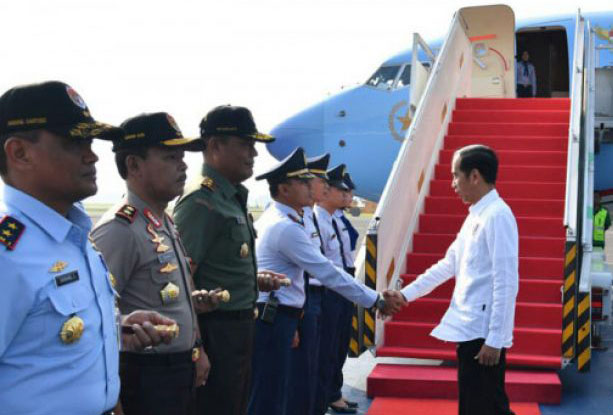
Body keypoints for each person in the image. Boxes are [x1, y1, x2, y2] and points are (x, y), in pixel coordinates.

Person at [0, 81, 177, 414]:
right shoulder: (8, 253)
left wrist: (112, 328)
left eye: (90, 141)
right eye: (73, 142)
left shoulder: (75, 236)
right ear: (19, 153)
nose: (92, 154)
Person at [248, 147, 407, 415]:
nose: (311, 187)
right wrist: (376, 299)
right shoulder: (285, 226)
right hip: (275, 316)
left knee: (285, 386)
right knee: (272, 392)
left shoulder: (290, 219)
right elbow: (326, 270)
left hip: (285, 313)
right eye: (303, 181)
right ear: (285, 189)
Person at [91, 112, 212, 415]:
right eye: (171, 156)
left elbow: (181, 296)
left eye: (182, 156)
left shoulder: (162, 221)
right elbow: (99, 317)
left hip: (178, 370)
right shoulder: (119, 230)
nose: (183, 165)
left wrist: (197, 348)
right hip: (145, 376)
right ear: (133, 165)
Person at [174, 105, 285, 415]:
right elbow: (181, 281)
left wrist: (253, 280)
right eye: (245, 144)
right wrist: (196, 348)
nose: (253, 153)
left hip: (237, 329)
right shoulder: (201, 201)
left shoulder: (229, 197)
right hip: (214, 331)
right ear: (214, 146)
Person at [400, 145, 518, 415]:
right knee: (481, 406)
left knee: (485, 407)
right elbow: (448, 264)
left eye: (456, 176)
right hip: (469, 329)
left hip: (482, 334)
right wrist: (405, 294)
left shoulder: (498, 216)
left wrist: (495, 339)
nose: (453, 184)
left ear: (474, 176)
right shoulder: (477, 214)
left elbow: (506, 281)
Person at [286, 152, 331, 415]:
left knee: (312, 364)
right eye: (315, 181)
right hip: (298, 301)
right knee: (299, 371)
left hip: (312, 296)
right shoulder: (288, 222)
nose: (324, 186)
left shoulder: (306, 216)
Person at [314, 164, 358, 414]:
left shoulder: (336, 218)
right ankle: (327, 395)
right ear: (326, 191)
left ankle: (334, 391)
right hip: (330, 286)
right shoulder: (318, 219)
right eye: (341, 191)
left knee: (340, 342)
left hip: (344, 282)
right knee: (328, 345)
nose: (347, 196)